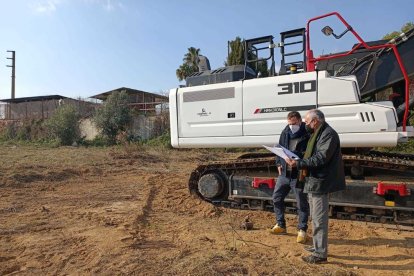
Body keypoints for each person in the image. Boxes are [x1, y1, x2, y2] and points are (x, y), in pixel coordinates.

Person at [285, 109, 346, 264]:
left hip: (320, 182)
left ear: (315, 121)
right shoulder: (318, 133)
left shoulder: (328, 134)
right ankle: (317, 246)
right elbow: (313, 154)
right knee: (315, 217)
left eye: (307, 122)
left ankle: (320, 254)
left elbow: (321, 158)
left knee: (319, 219)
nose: (305, 124)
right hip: (313, 181)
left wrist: (298, 163)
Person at [270, 111, 310, 244]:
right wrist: (278, 163)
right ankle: (281, 225)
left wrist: (296, 158)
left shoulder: (307, 133)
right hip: (284, 174)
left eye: (293, 124)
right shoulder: (285, 132)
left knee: (301, 203)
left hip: (298, 174)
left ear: (299, 121)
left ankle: (302, 230)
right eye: (289, 124)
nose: (291, 126)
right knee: (276, 198)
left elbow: (309, 153)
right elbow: (279, 149)